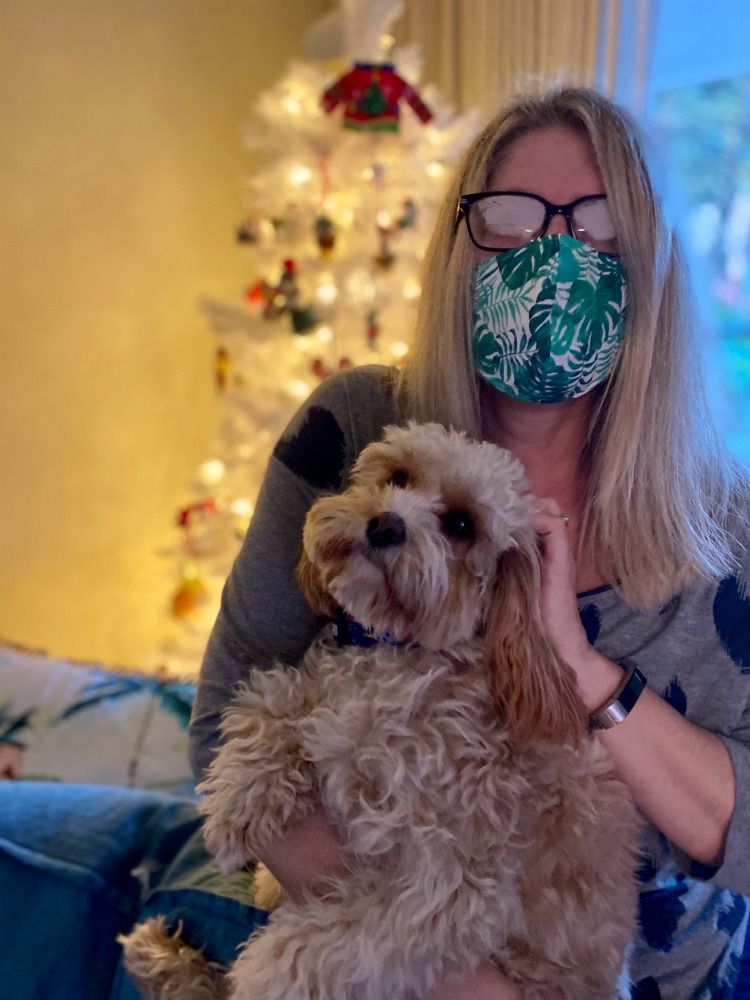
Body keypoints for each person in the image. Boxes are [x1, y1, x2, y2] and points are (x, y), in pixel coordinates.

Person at [189, 86, 750, 999]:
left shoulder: (731, 523)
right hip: (371, 955)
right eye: (511, 219)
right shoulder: (360, 422)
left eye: (601, 228)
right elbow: (223, 731)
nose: (554, 257)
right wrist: (464, 984)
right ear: (461, 244)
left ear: (653, 264)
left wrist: (587, 674)